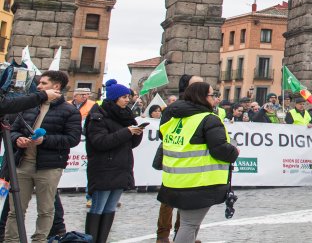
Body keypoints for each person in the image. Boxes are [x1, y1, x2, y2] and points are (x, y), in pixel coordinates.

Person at [3, 70, 81, 243]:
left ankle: (39, 240)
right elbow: (13, 130)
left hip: (49, 167)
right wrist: (18, 139)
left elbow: (73, 139)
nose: (39, 86)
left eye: (43, 83)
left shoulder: (69, 111)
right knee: (15, 210)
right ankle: (11, 241)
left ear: (56, 86)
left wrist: (44, 140)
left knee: (45, 210)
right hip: (23, 164)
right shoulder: (30, 106)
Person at [156, 82, 238, 243]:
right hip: (197, 182)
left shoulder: (176, 118)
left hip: (175, 180)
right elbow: (219, 148)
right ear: (201, 97)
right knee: (189, 224)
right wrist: (234, 151)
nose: (214, 98)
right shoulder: (208, 119)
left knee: (190, 224)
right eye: (211, 95)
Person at [84, 79, 144, 243]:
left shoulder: (126, 115)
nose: (127, 99)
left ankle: (101, 240)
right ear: (114, 98)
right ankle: (91, 240)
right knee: (98, 207)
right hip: (104, 168)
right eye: (124, 97)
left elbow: (130, 144)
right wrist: (127, 132)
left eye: (128, 96)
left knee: (110, 208)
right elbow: (100, 142)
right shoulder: (98, 116)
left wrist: (137, 133)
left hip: (121, 167)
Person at [156, 73, 204, 243]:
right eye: (197, 84)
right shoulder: (174, 108)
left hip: (193, 161)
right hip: (175, 158)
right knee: (168, 198)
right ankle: (162, 235)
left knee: (187, 199)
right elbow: (162, 132)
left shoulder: (203, 108)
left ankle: (181, 233)